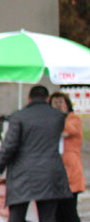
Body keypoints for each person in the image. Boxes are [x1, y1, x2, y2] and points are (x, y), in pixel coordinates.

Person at [0, 85, 72, 222]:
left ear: (29, 99)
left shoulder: (18, 116)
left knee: (17, 216)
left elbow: (9, 146)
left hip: (22, 174)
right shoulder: (58, 116)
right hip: (50, 173)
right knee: (47, 217)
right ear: (48, 99)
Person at [49, 91, 83, 222]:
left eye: (60, 102)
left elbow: (67, 130)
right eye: (55, 102)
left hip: (70, 173)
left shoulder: (73, 119)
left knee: (69, 212)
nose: (58, 105)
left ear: (67, 105)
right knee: (56, 214)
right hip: (54, 173)